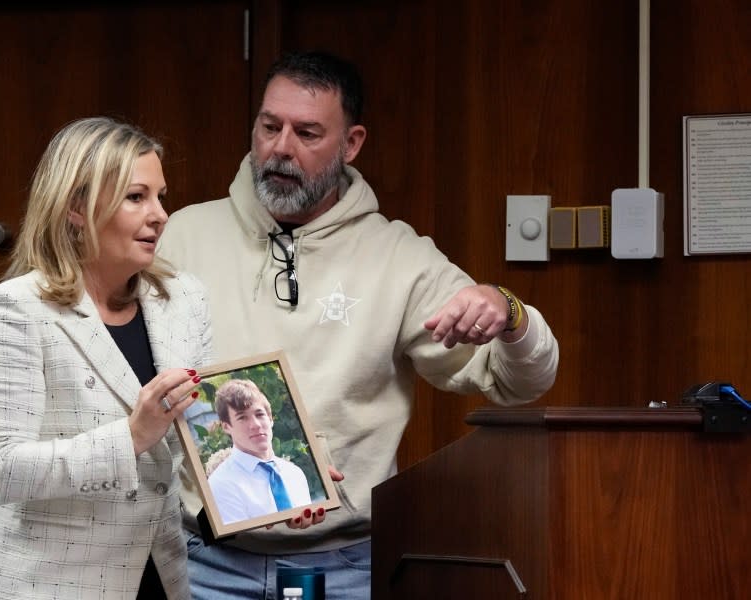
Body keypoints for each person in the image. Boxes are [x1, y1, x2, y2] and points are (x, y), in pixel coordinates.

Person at [158, 51, 559, 600]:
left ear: (351, 144)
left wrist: (509, 313)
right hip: (205, 563)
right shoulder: (182, 235)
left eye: (307, 132)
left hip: (344, 567)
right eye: (269, 126)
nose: (280, 148)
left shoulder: (399, 257)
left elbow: (519, 383)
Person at [0, 116, 211, 599]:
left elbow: (200, 435)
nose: (160, 214)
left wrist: (285, 478)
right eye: (137, 197)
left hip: (161, 580)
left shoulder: (184, 299)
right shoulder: (18, 308)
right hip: (47, 586)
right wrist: (131, 437)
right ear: (76, 207)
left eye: (161, 196)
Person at [206, 379, 312, 524]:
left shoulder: (295, 473)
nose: (255, 425)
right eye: (242, 417)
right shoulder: (221, 483)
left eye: (259, 414)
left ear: (270, 419)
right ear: (226, 427)